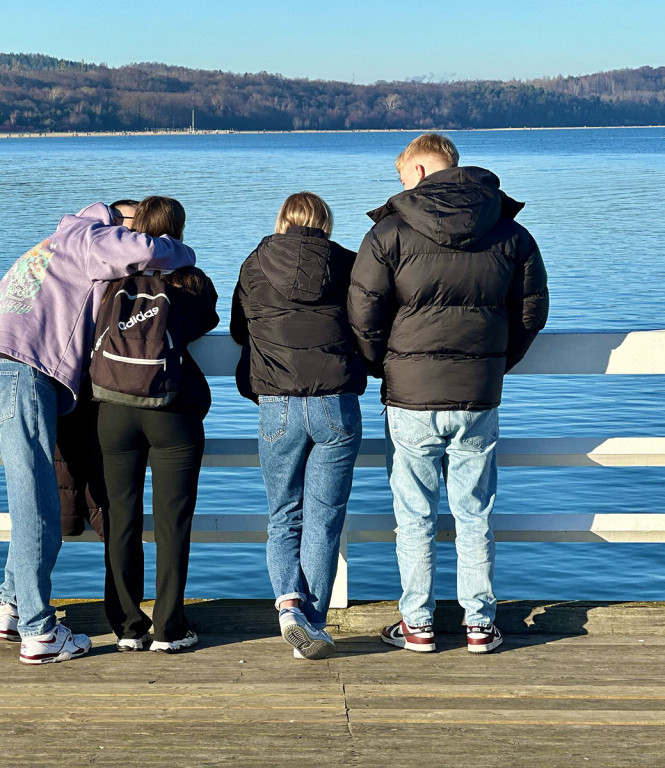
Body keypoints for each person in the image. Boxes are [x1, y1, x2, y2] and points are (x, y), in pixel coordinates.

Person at [0, 200, 195, 664]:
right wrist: (181, 247)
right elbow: (155, 252)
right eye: (128, 226)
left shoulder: (47, 247)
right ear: (112, 223)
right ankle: (39, 630)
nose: (133, 236)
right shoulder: (89, 238)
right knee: (36, 503)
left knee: (26, 490)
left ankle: (10, 606)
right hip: (22, 371)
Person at [348, 133, 549, 654]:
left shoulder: (388, 234)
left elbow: (363, 314)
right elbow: (531, 312)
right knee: (474, 511)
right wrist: (496, 365)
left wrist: (384, 367)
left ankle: (418, 624)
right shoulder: (512, 234)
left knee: (413, 514)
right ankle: (479, 625)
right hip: (478, 393)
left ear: (417, 172)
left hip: (410, 396)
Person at [230, 192, 366, 660]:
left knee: (283, 514)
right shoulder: (349, 262)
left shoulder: (254, 264)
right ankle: (313, 622)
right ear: (325, 222)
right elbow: (367, 323)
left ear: (281, 221)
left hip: (277, 403)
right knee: (324, 519)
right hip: (336, 401)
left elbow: (237, 328)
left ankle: (288, 603)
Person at [92, 196, 218, 653]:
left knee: (120, 518)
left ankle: (127, 625)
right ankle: (169, 627)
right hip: (172, 411)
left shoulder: (110, 279)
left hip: (113, 410)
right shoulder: (190, 281)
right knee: (173, 521)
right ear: (179, 230)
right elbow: (208, 319)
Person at [54, 198, 141, 540]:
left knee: (113, 506)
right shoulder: (78, 264)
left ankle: (121, 592)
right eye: (127, 222)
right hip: (76, 394)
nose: (133, 230)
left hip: (107, 398)